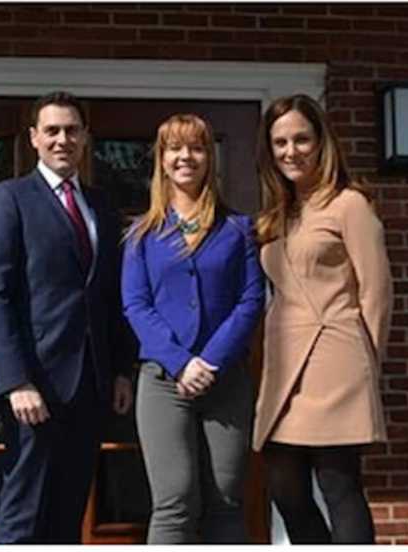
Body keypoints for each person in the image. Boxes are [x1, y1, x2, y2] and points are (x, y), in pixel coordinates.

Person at [0, 91, 134, 543]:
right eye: (52, 131)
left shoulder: (101, 205)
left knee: (67, 514)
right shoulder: (10, 199)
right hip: (34, 385)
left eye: (71, 130)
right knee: (23, 514)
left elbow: (108, 297)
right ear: (34, 138)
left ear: (85, 138)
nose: (62, 139)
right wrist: (15, 380)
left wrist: (121, 369)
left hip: (90, 384)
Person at [252, 94, 393, 544]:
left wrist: (369, 363)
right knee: (284, 486)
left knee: (338, 483)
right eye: (279, 142)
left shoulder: (350, 204)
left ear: (321, 142)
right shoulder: (280, 214)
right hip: (285, 364)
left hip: (337, 356)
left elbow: (376, 291)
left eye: (301, 139)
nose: (290, 151)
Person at [121, 114, 265, 543]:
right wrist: (183, 363)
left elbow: (251, 300)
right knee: (175, 500)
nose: (186, 156)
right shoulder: (141, 235)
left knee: (225, 499)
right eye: (174, 148)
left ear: (210, 158)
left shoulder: (239, 230)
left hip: (227, 382)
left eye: (196, 147)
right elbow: (135, 304)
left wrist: (212, 360)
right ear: (162, 160)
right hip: (164, 383)